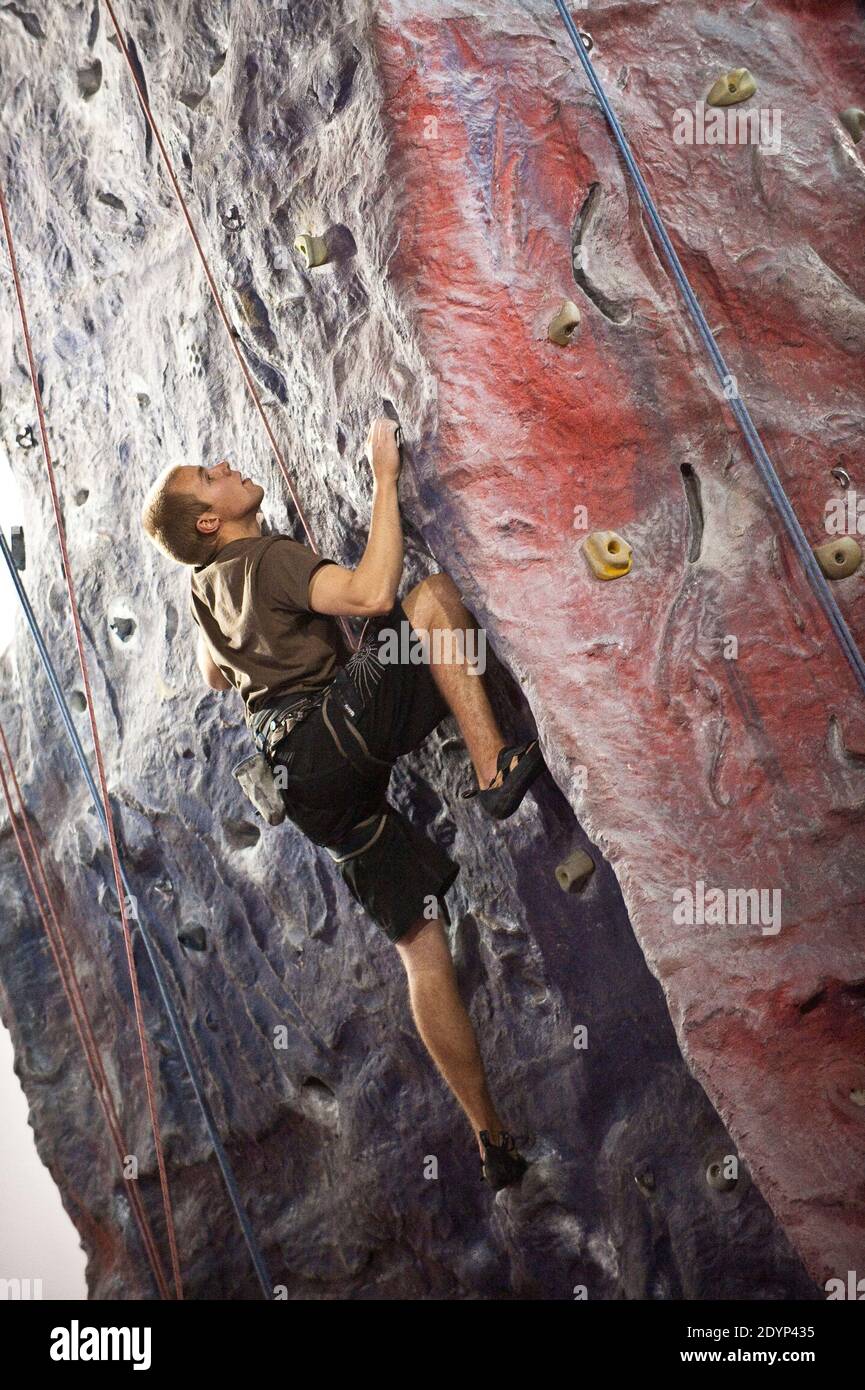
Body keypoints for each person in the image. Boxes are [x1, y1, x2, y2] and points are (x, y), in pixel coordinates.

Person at [141, 416, 546, 1190]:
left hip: (306, 790)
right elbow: (369, 593)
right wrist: (384, 476)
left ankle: (490, 1138)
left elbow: (213, 676)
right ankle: (495, 770)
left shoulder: (205, 587)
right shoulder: (264, 559)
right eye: (209, 474)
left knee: (419, 947)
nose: (224, 464)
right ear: (209, 518)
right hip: (330, 738)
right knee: (429, 602)